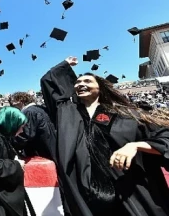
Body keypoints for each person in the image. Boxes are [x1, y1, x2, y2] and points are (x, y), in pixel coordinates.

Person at [40, 56, 169, 216]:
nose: (81, 84)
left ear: (100, 88)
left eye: (87, 81)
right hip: (86, 197)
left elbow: (164, 138)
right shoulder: (67, 114)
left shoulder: (126, 114)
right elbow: (48, 83)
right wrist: (64, 65)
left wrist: (135, 146)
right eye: (78, 82)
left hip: (130, 193)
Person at [10, 91, 57, 159]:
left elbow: (23, 136)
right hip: (49, 150)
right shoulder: (39, 109)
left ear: (20, 100)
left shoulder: (29, 112)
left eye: (13, 102)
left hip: (40, 155)